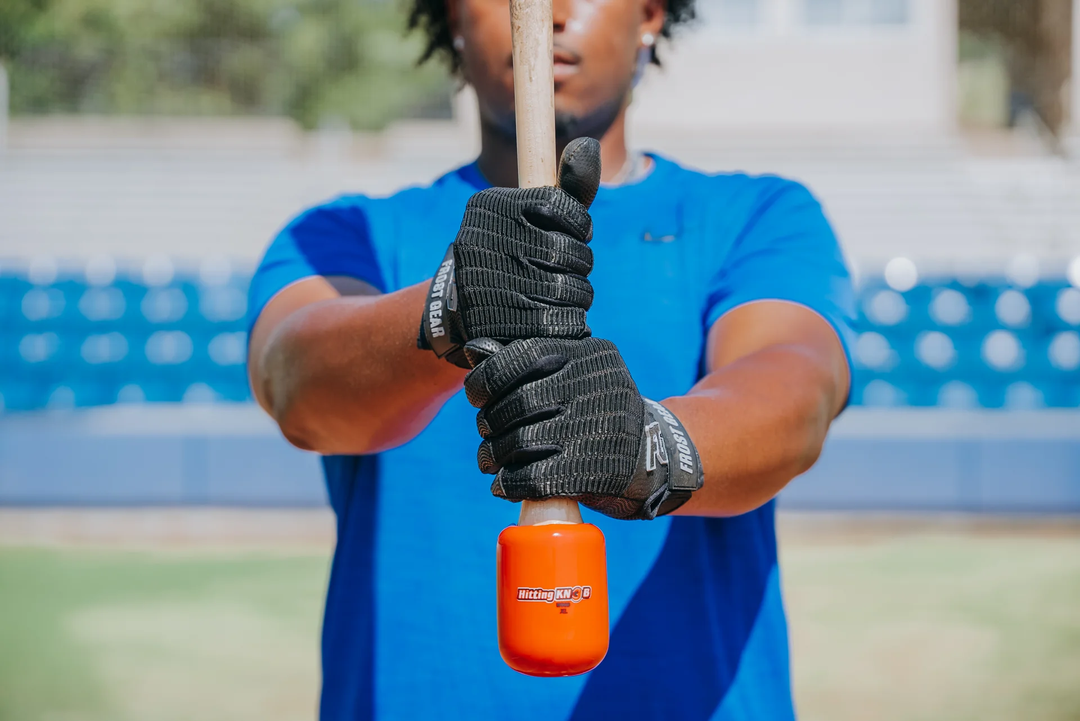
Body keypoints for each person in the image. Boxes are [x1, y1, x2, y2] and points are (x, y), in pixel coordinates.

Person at [246, 0, 854, 716]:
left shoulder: (754, 216)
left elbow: (793, 393)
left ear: (651, 14)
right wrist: (447, 307)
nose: (556, 10)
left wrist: (650, 446)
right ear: (452, 18)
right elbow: (297, 384)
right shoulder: (349, 233)